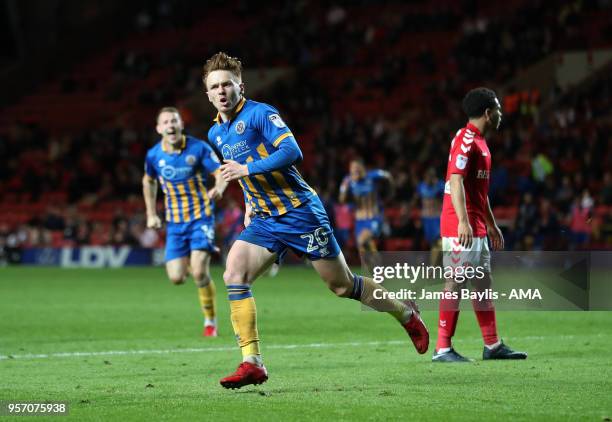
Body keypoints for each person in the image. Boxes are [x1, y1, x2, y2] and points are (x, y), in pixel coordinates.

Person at [202, 52, 429, 389]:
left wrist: (246, 171)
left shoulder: (260, 113)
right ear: (207, 94)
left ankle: (406, 314)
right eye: (214, 87)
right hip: (265, 217)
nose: (221, 91)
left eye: (227, 84)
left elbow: (292, 151)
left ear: (240, 86)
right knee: (234, 273)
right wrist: (250, 199)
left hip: (299, 212)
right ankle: (252, 362)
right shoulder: (215, 134)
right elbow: (243, 170)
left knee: (342, 286)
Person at [435, 87, 527, 362]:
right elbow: (455, 180)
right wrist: (463, 221)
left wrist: (492, 224)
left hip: (476, 224)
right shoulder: (466, 140)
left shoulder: (480, 142)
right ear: (488, 113)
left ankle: (492, 345)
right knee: (456, 281)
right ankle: (442, 348)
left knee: (482, 282)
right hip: (460, 224)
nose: (501, 114)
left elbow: (479, 192)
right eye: (498, 109)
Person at [143, 106, 227, 337]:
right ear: (159, 128)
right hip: (175, 224)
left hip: (200, 217)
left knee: (199, 273)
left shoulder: (198, 148)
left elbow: (220, 172)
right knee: (177, 278)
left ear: (181, 125)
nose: (171, 125)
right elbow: (148, 181)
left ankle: (210, 321)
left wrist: (219, 188)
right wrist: (151, 213)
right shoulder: (153, 155)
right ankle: (198, 254)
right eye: (166, 122)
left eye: (174, 121)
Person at [339, 159, 393, 272]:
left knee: (362, 240)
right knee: (364, 247)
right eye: (351, 169)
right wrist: (344, 187)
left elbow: (388, 176)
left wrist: (389, 194)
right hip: (359, 221)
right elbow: (342, 200)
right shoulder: (348, 181)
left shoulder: (372, 176)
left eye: (356, 168)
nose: (354, 171)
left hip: (373, 218)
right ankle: (374, 271)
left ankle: (377, 269)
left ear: (361, 168)